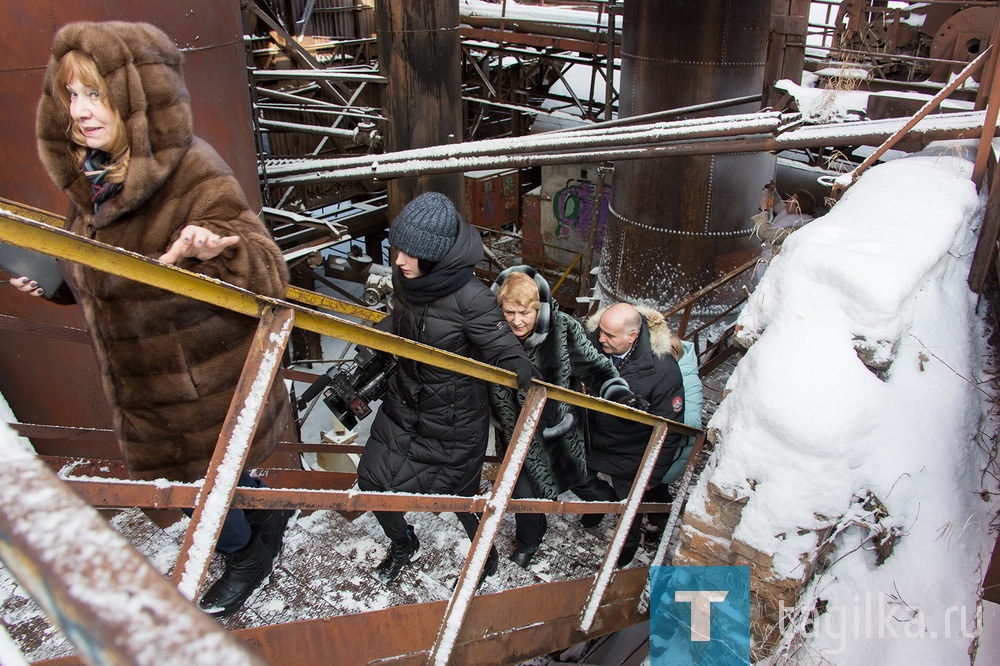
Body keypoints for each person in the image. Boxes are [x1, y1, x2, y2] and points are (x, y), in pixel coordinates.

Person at [12, 21, 293, 617]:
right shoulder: (93, 178)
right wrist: (55, 285)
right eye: (72, 95)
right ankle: (263, 513)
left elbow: (269, 270)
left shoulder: (192, 169)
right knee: (218, 480)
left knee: (204, 491)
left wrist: (220, 249)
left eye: (98, 95)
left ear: (138, 97)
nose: (83, 112)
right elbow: (102, 278)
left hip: (201, 385)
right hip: (144, 383)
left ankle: (246, 553)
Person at [355, 192, 533, 586]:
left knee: (458, 498)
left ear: (434, 256)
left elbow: (503, 347)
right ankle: (404, 543)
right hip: (404, 406)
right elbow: (406, 324)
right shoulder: (406, 280)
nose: (398, 261)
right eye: (397, 249)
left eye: (409, 253)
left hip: (452, 423)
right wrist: (378, 335)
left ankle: (484, 558)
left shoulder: (473, 299)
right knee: (371, 481)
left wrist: (519, 368)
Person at [488, 266, 639, 569]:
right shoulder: (489, 332)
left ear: (539, 308)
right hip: (513, 432)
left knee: (584, 484)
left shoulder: (563, 329)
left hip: (557, 436)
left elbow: (597, 368)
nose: (516, 321)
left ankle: (620, 516)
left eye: (524, 313)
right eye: (509, 312)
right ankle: (530, 540)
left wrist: (620, 395)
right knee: (522, 492)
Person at [573, 302, 686, 567]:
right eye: (600, 331)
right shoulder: (589, 345)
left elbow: (670, 428)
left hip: (630, 449)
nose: (601, 339)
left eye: (610, 335)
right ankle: (599, 503)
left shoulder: (662, 369)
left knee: (629, 507)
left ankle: (627, 546)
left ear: (632, 336)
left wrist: (653, 474)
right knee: (571, 472)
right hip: (591, 436)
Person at [753, 183, 816, 265]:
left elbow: (765, 235)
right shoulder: (792, 213)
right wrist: (772, 191)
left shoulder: (794, 228)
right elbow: (778, 204)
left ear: (798, 208)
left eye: (791, 200)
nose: (788, 201)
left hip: (772, 262)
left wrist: (764, 209)